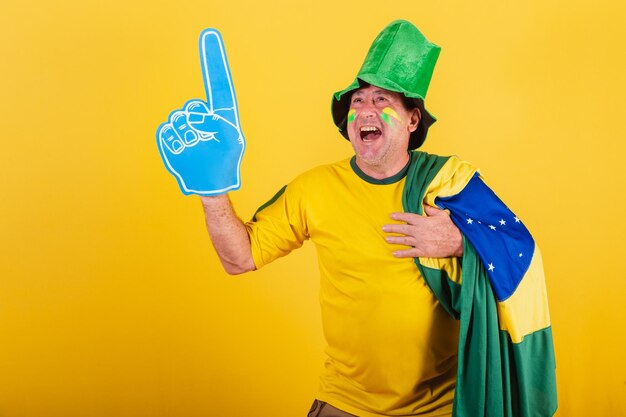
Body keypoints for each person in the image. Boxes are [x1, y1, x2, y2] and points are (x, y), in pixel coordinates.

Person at [158, 20, 557, 417]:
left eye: (383, 100)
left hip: (444, 405)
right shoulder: (313, 189)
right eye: (358, 101)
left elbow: (520, 250)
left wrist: (461, 241)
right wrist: (212, 192)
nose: (366, 110)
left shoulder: (449, 182)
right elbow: (239, 257)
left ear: (413, 120)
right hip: (345, 402)